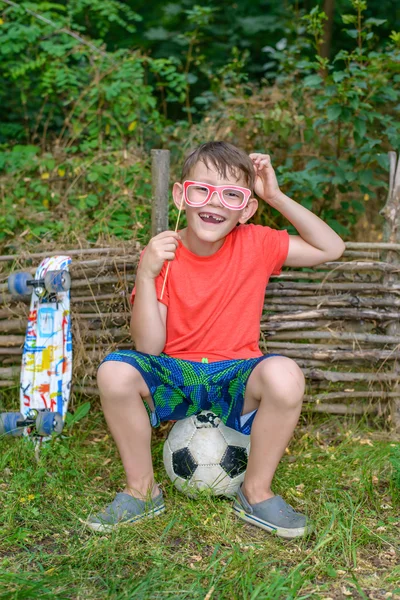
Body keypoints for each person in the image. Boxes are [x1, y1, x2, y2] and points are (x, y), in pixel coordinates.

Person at [87, 141, 345, 538]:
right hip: (177, 375)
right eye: (201, 190)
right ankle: (141, 491)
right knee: (114, 373)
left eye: (232, 194)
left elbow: (331, 247)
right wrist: (146, 272)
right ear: (181, 195)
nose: (215, 202)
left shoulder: (256, 243)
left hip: (236, 377)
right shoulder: (163, 253)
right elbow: (150, 348)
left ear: (246, 209)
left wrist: (274, 195)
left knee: (286, 374)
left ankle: (256, 492)